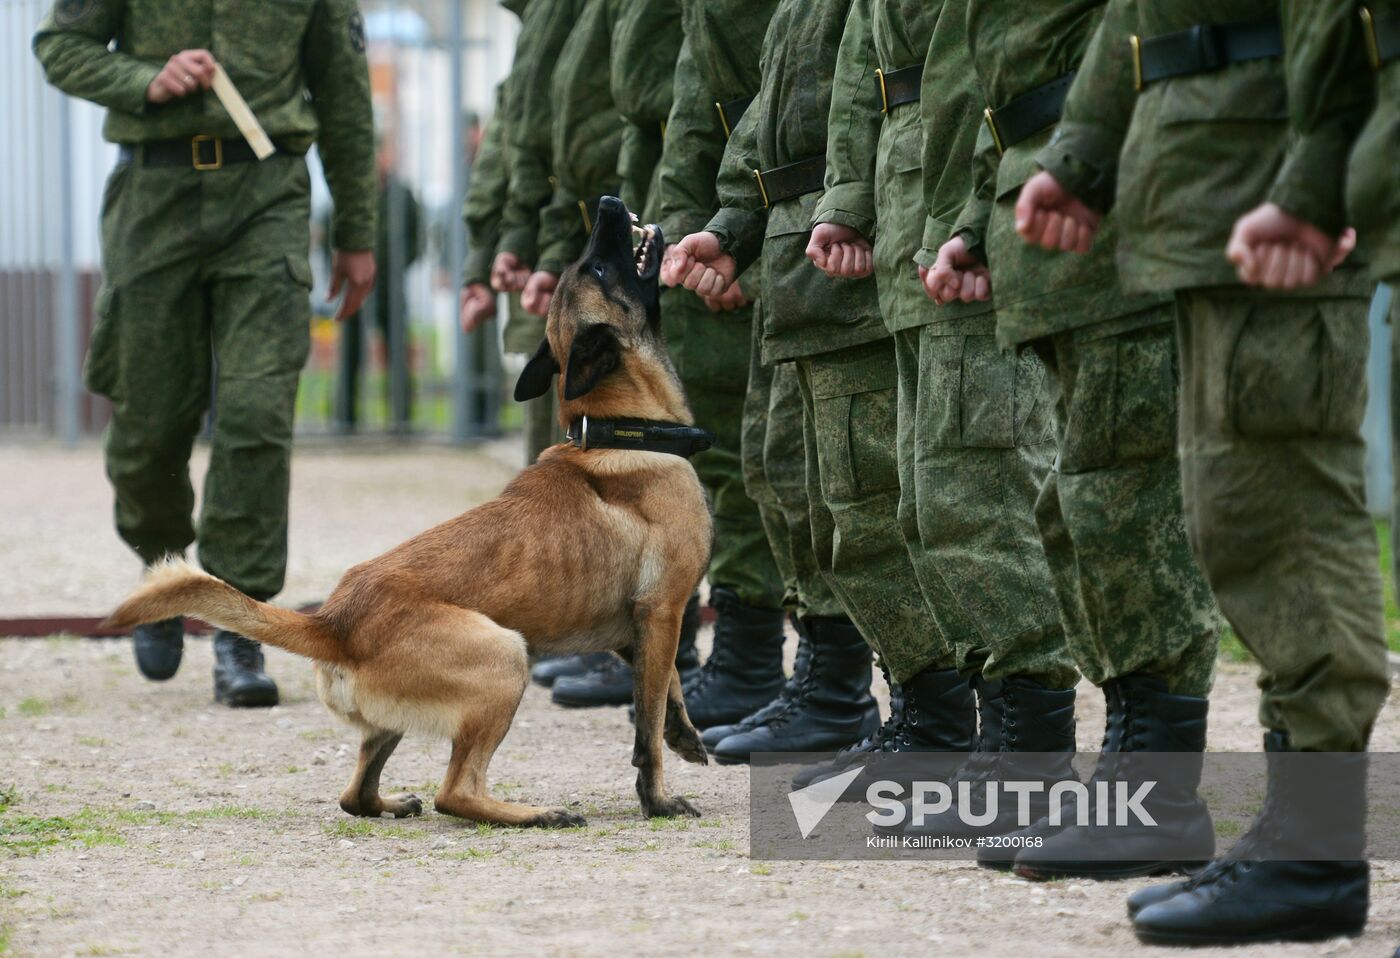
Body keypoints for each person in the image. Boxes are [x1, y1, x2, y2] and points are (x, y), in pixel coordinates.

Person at [1015, 0, 1389, 944]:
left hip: (1268, 161)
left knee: (1284, 510)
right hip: (1208, 178)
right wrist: (1086, 155)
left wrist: (1312, 174)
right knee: (1237, 513)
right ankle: (1296, 835)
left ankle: (1315, 844)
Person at [919, 0, 1222, 874]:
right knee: (1081, 500)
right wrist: (977, 223)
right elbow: (999, 85)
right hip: (1049, 210)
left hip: (1119, 191)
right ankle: (1133, 776)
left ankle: (1159, 795)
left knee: (1131, 496)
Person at [34, 0, 376, 707]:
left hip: (268, 196)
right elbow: (58, 47)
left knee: (257, 412)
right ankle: (161, 569)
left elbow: (343, 93)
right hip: (152, 196)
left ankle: (237, 626)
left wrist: (356, 231)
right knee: (149, 422)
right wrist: (143, 79)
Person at [795, 0, 1084, 819]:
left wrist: (973, 214)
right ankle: (994, 736)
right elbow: (862, 71)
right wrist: (849, 197)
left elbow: (995, 56)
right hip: (910, 222)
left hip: (969, 208)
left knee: (978, 495)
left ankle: (1032, 758)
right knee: (928, 507)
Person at [667, 0, 973, 761]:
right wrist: (734, 219)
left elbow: (917, 84)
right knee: (806, 486)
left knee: (880, 497)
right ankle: (850, 694)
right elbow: (780, 99)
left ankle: (923, 715)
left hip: (868, 235)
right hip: (799, 240)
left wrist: (852, 209)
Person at [545, 0, 792, 722]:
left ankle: (751, 657)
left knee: (747, 452)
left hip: (756, 209)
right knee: (714, 444)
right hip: (702, 211)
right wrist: (681, 233)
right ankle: (698, 649)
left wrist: (741, 233)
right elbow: (680, 111)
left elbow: (779, 98)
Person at [655, 0, 880, 755]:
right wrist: (728, 225)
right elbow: (759, 101)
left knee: (857, 483)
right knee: (784, 468)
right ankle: (822, 681)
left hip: (849, 220)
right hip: (785, 221)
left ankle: (844, 690)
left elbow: (869, 90)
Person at [334, 138, 421, 433]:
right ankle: (345, 419)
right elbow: (329, 231)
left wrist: (397, 268)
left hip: (388, 287)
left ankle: (401, 418)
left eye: (381, 153)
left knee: (397, 351)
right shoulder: (352, 193)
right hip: (353, 286)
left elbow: (416, 239)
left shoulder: (402, 194)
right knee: (350, 352)